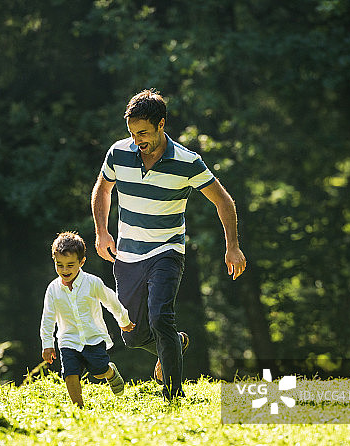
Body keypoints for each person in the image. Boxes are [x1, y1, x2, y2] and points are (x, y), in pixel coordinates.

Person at [91, 88, 246, 401]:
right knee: (132, 335)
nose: (138, 140)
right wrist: (101, 232)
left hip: (167, 251)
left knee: (161, 316)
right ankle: (174, 342)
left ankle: (173, 394)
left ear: (161, 125)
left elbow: (223, 201)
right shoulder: (118, 154)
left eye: (144, 132)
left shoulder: (188, 163)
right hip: (128, 254)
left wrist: (232, 246)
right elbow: (102, 190)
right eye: (133, 133)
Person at [40, 231, 136, 407]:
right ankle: (79, 408)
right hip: (68, 339)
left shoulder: (93, 283)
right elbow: (47, 318)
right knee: (69, 374)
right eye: (59, 265)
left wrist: (124, 321)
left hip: (93, 337)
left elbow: (111, 301)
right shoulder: (53, 289)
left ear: (81, 262)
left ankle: (110, 373)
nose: (64, 270)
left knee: (99, 371)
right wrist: (47, 344)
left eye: (70, 265)